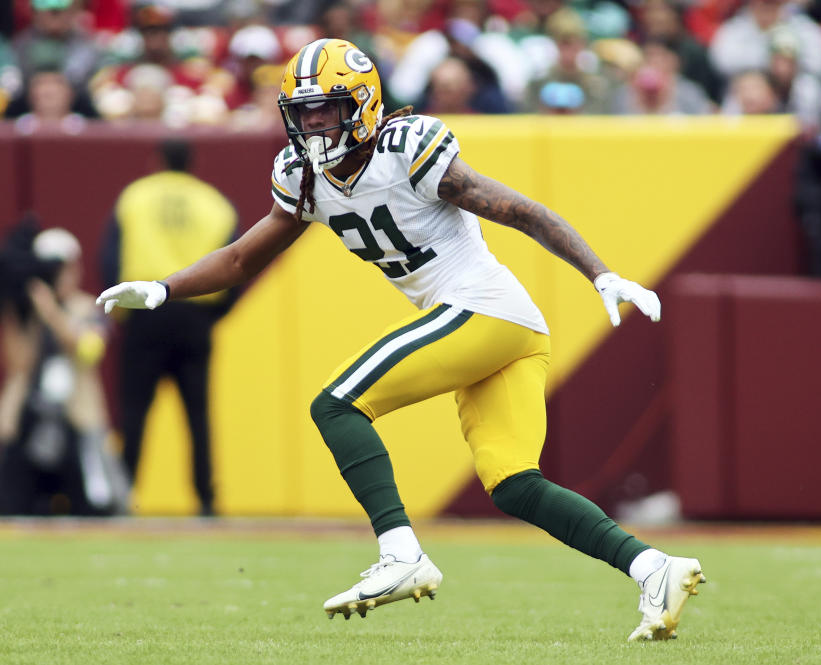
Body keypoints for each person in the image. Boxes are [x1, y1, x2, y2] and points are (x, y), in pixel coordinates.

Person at [97, 38, 705, 641]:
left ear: (361, 104)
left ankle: (400, 553)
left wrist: (601, 272)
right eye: (301, 111)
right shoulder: (304, 175)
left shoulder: (406, 147)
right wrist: (162, 288)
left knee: (336, 405)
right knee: (516, 484)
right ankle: (655, 569)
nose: (311, 124)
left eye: (325, 109)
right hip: (502, 328)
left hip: (482, 310)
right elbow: (238, 259)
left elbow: (521, 211)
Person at [100, 138, 239, 517]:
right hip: (194, 315)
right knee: (197, 414)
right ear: (193, 163)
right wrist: (211, 315)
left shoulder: (135, 195)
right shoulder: (214, 202)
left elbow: (111, 257)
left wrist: (121, 312)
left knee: (133, 411)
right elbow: (236, 266)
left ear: (156, 160)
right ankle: (206, 500)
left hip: (145, 313)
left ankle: (123, 495)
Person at [0, 220, 127, 516]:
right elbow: (16, 363)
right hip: (28, 420)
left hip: (78, 422)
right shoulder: (28, 311)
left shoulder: (91, 307)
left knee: (96, 508)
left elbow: (90, 351)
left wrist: (51, 313)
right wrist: (13, 308)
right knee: (11, 506)